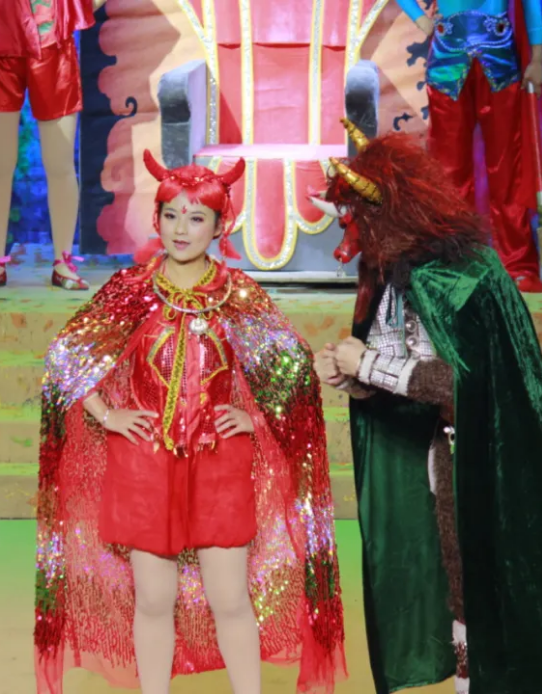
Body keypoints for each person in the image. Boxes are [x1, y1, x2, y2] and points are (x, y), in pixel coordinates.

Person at [34, 151, 347, 694]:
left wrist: (253, 417)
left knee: (230, 598)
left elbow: (293, 371)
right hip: (143, 463)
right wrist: (108, 414)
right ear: (156, 220)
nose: (182, 229)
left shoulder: (237, 294)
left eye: (197, 217)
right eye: (171, 215)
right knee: (154, 600)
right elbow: (66, 359)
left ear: (220, 227)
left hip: (220, 462)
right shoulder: (131, 289)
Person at [312, 120, 542, 694]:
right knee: (459, 590)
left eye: (357, 221)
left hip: (489, 462)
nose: (351, 239)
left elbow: (469, 384)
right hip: (443, 457)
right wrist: (353, 378)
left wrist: (368, 365)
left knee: (491, 590)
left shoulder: (461, 276)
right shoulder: (396, 274)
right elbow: (400, 375)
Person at [396, 0, 542, 293]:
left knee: (507, 169)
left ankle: (517, 264)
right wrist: (420, 19)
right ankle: (452, 262)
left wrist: (537, 58)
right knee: (448, 171)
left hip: (499, 62)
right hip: (447, 62)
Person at [0, 0, 107, 289]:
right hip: (3, 40)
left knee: (60, 164)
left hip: (53, 44)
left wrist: (77, 9)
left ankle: (63, 262)